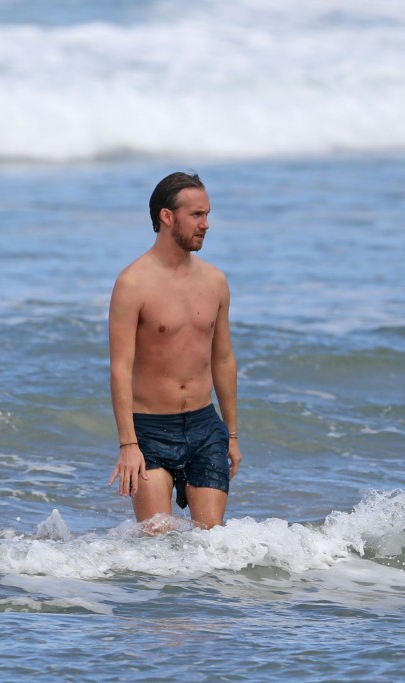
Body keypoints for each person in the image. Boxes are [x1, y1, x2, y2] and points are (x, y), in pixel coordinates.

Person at [107, 171, 241, 533]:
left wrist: (230, 433)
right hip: (150, 430)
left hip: (204, 426)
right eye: (197, 215)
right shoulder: (133, 284)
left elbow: (223, 359)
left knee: (210, 547)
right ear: (167, 217)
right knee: (156, 546)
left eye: (207, 214)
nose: (206, 224)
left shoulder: (215, 281)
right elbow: (120, 368)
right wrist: (128, 444)